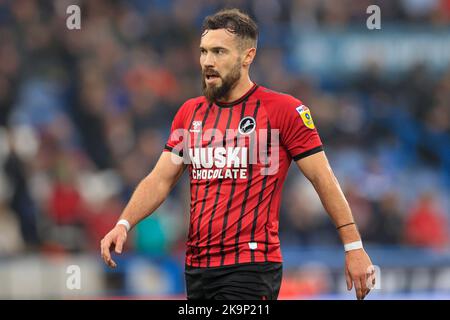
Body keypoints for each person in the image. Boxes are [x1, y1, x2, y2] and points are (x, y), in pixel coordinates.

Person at [100, 8, 375, 300]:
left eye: (219, 51)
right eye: (204, 51)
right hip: (197, 267)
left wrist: (353, 247)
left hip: (251, 265)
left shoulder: (284, 110)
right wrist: (124, 223)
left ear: (247, 56)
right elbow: (160, 180)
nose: (207, 61)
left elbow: (323, 178)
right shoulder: (189, 113)